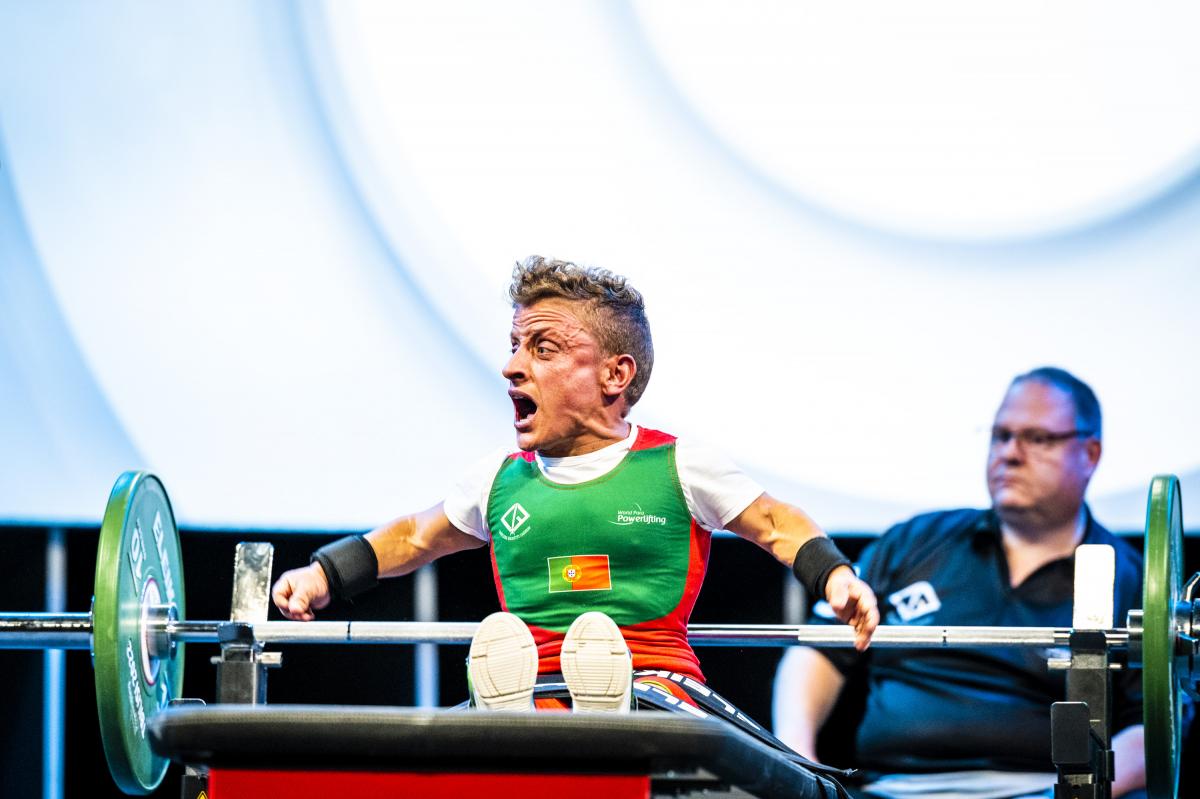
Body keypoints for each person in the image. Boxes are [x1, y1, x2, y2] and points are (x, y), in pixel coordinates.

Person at [273, 255, 878, 717]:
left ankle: (599, 705)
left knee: (632, 698)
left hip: (660, 691)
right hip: (533, 691)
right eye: (514, 347)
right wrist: (324, 574)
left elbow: (776, 524)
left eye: (543, 348)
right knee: (500, 707)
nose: (513, 366)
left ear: (616, 374)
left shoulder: (681, 465)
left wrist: (837, 575)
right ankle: (525, 710)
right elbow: (412, 538)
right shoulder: (497, 480)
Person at [772, 367, 1146, 799]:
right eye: (1000, 435)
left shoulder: (1128, 577)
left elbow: (1151, 728)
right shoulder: (916, 541)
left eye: (1037, 438)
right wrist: (797, 765)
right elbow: (818, 652)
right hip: (890, 791)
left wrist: (1078, 793)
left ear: (1091, 453)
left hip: (1046, 793)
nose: (1010, 453)